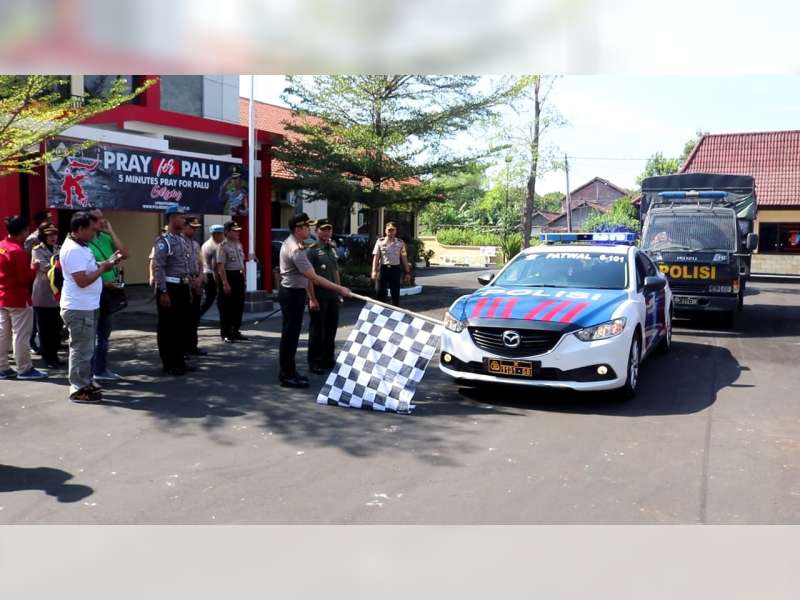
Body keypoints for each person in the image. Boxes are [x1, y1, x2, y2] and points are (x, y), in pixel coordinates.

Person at [278, 213, 351, 388]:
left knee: (292, 336)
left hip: (293, 293)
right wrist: (340, 288)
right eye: (306, 227)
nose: (309, 230)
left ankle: (290, 371)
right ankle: (286, 375)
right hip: (292, 294)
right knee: (290, 336)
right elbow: (315, 278)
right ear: (298, 229)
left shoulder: (296, 244)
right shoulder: (296, 250)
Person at [60, 211, 118, 402]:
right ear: (80, 229)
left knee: (86, 348)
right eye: (92, 230)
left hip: (87, 305)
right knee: (81, 349)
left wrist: (105, 263)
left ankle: (85, 382)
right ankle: (78, 388)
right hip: (79, 307)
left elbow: (87, 269)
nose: (95, 233)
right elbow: (82, 281)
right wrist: (102, 269)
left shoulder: (82, 246)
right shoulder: (73, 249)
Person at [0, 215, 47, 380]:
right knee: (20, 335)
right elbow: (25, 278)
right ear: (24, 231)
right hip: (18, 298)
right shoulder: (17, 252)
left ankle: (2, 367)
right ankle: (24, 369)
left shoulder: (2, 246)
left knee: (3, 334)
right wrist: (34, 268)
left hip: (3, 296)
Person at [87, 208, 129, 381]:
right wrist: (105, 282)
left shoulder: (105, 237)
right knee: (95, 336)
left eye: (102, 217)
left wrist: (111, 232)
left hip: (110, 292)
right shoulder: (84, 243)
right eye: (97, 218)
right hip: (96, 290)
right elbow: (84, 271)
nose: (102, 221)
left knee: (104, 334)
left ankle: (100, 369)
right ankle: (94, 371)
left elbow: (125, 254)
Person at [153, 205, 193, 376]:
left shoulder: (182, 240)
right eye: (181, 216)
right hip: (170, 287)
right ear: (171, 218)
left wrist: (190, 287)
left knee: (181, 326)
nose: (184, 219)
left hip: (182, 286)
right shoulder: (164, 242)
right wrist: (163, 291)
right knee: (167, 327)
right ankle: (168, 363)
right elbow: (158, 267)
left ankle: (179, 361)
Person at [306, 219, 341, 374]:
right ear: (316, 231)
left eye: (329, 229)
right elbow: (309, 277)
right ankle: (315, 361)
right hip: (319, 294)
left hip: (332, 295)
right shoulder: (312, 250)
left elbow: (335, 272)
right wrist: (312, 298)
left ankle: (328, 358)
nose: (326, 232)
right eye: (323, 229)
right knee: (317, 330)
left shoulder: (331, 248)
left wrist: (339, 290)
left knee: (331, 328)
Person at [31, 223, 64, 369]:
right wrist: (58, 267)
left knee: (57, 328)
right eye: (49, 235)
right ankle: (48, 358)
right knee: (45, 329)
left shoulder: (60, 248)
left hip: (57, 294)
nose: (53, 237)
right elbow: (45, 267)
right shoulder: (37, 250)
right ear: (43, 236)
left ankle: (55, 355)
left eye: (55, 234)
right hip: (43, 293)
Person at [216, 221, 247, 343]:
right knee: (227, 307)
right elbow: (221, 266)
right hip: (229, 277)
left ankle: (235, 330)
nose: (237, 232)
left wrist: (244, 276)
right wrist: (225, 283)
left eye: (238, 230)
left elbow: (241, 263)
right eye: (234, 231)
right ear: (227, 232)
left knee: (238, 306)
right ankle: (226, 333)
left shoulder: (238, 244)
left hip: (238, 276)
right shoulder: (222, 246)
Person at [25, 211, 51, 354]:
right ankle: (34, 343)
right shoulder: (33, 239)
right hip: (36, 278)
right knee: (36, 314)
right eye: (48, 220)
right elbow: (28, 257)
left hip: (48, 282)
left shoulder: (48, 238)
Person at [371, 221, 411, 306]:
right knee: (380, 292)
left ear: (396, 231)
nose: (391, 232)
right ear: (385, 231)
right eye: (389, 230)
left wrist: (407, 272)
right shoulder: (380, 242)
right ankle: (380, 312)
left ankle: (395, 313)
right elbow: (376, 257)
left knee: (395, 294)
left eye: (393, 230)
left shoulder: (400, 243)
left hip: (395, 270)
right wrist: (374, 271)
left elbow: (404, 258)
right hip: (383, 269)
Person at [183, 216, 206, 356]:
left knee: (194, 318)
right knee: (184, 319)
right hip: (185, 283)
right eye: (192, 227)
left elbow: (201, 263)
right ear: (185, 227)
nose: (194, 230)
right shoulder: (179, 242)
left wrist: (201, 277)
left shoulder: (196, 244)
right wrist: (191, 280)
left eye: (196, 228)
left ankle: (192, 346)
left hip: (196, 282)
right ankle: (183, 348)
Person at [199, 224, 224, 317]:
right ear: (216, 234)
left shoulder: (206, 244)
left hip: (205, 273)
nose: (223, 236)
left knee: (208, 299)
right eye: (221, 234)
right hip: (212, 275)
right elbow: (215, 267)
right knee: (211, 299)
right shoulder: (216, 247)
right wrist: (218, 284)